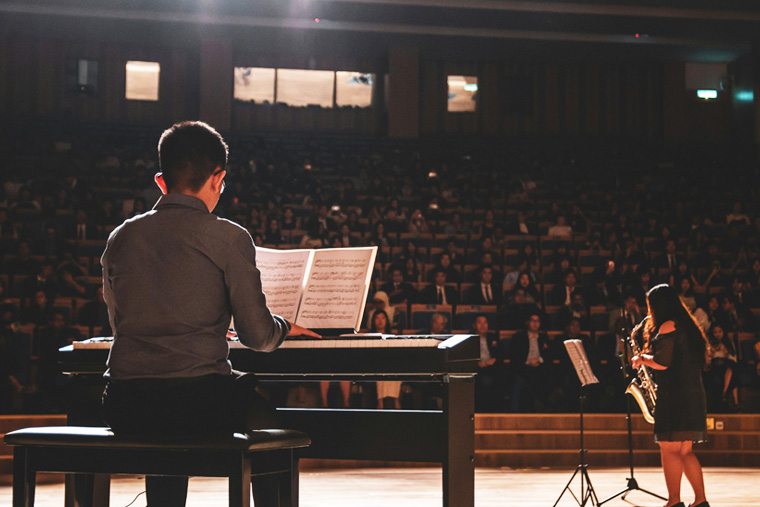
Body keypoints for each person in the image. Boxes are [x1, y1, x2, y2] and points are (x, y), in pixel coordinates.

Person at [99, 121, 320, 507]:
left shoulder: (120, 237)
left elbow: (120, 323)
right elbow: (257, 336)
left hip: (126, 402)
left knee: (165, 418)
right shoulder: (228, 236)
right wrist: (283, 327)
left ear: (161, 181)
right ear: (218, 178)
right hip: (198, 403)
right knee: (269, 423)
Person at [631, 284, 710, 507]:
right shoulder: (687, 324)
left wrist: (641, 359)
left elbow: (662, 363)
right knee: (685, 451)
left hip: (676, 396)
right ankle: (700, 501)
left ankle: (673, 502)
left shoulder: (667, 325)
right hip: (691, 394)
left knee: (669, 449)